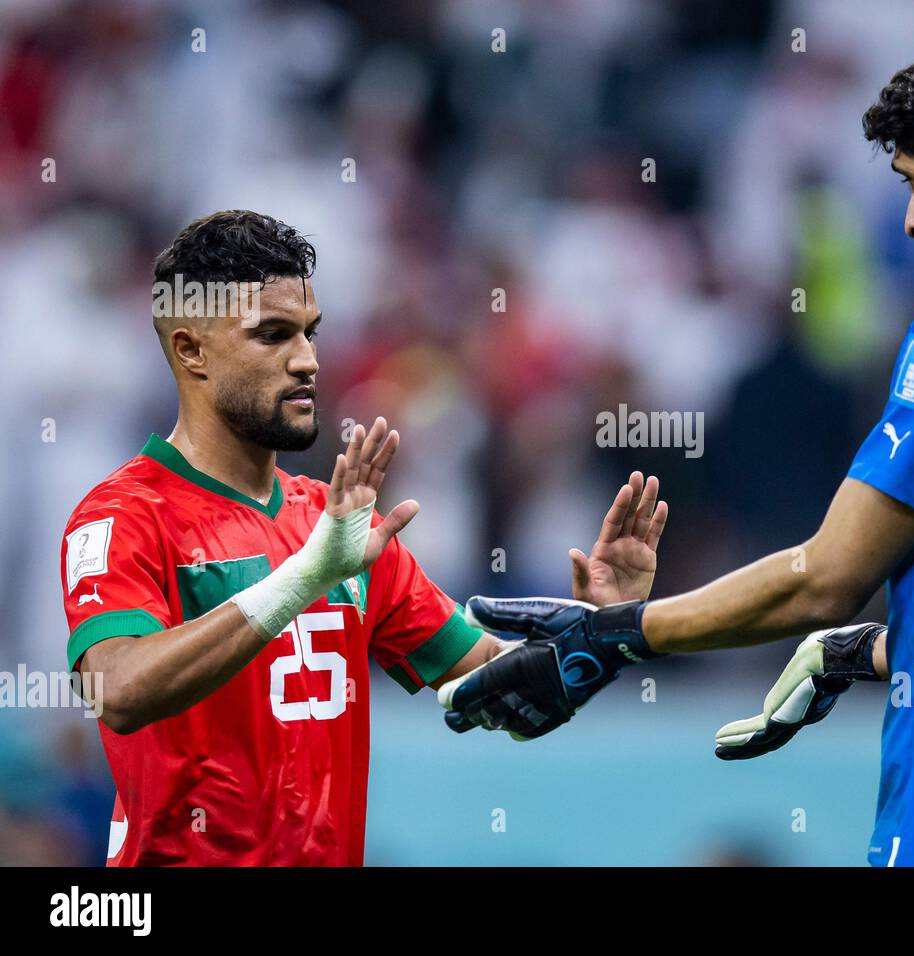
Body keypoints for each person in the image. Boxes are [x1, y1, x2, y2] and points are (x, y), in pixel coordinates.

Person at [439, 30, 914, 866]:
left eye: (911, 182)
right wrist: (865, 649)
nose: (913, 221)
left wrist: (617, 633)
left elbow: (828, 577)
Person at [59, 210, 668, 865]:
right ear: (190, 349)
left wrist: (606, 634)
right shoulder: (125, 515)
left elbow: (507, 696)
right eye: (273, 335)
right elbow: (115, 692)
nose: (307, 360)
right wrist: (304, 577)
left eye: (311, 334)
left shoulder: (340, 528)